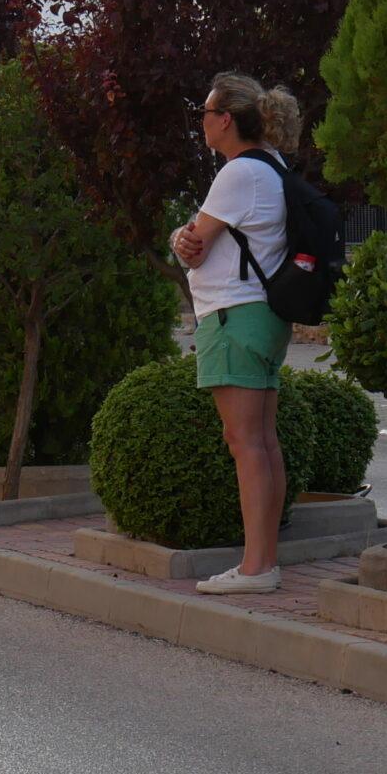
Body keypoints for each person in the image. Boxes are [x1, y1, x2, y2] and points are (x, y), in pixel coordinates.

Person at [170, 73, 295, 594]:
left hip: (232, 316)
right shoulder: (272, 165)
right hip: (264, 315)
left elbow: (193, 246)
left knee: (245, 443)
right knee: (262, 441)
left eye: (205, 113)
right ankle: (264, 562)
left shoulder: (238, 172)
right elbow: (195, 241)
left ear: (225, 120)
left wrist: (180, 238)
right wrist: (184, 239)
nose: (201, 122)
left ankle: (255, 568)